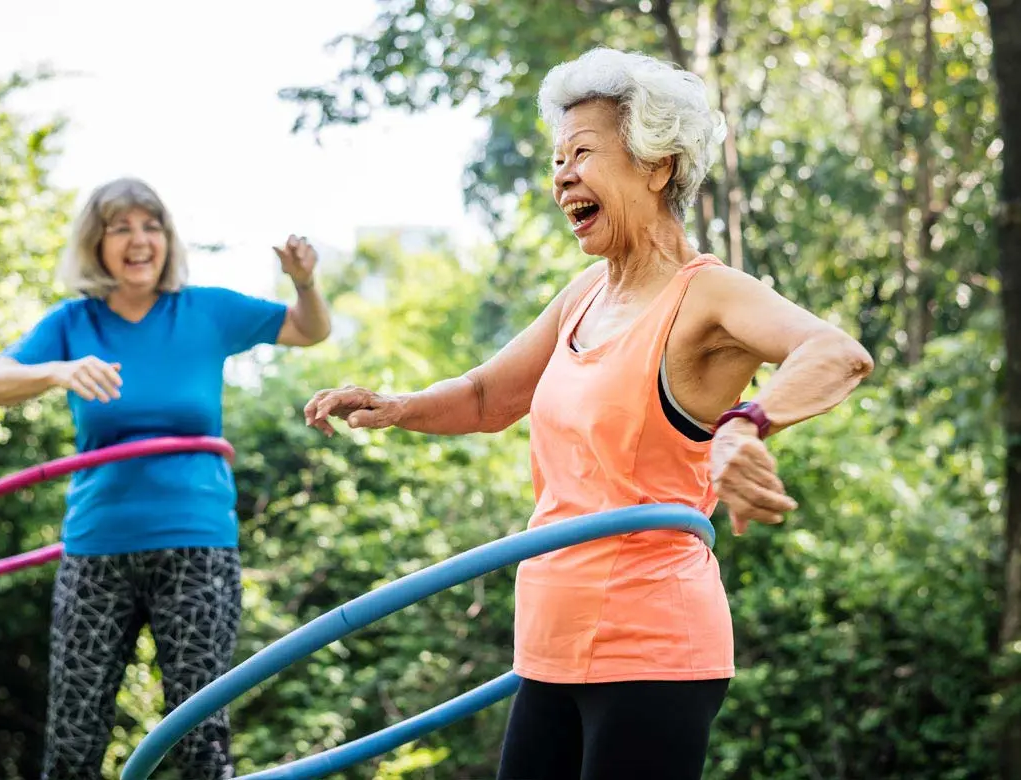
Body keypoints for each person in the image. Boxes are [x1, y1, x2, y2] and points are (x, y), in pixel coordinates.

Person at [303, 47, 873, 780]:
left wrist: (747, 423)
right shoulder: (585, 294)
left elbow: (837, 352)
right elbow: (487, 397)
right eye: (556, 158)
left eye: (582, 153)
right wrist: (397, 406)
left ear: (656, 164)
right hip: (546, 646)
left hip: (653, 649)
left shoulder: (708, 295)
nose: (560, 175)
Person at [0, 177, 331, 780]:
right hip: (96, 550)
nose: (139, 240)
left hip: (197, 548)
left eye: (151, 225)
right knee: (73, 738)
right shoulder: (72, 323)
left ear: (167, 238)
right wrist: (57, 371)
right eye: (121, 227)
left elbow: (309, 329)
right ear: (97, 242)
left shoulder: (206, 310)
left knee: (198, 739)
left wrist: (304, 281)